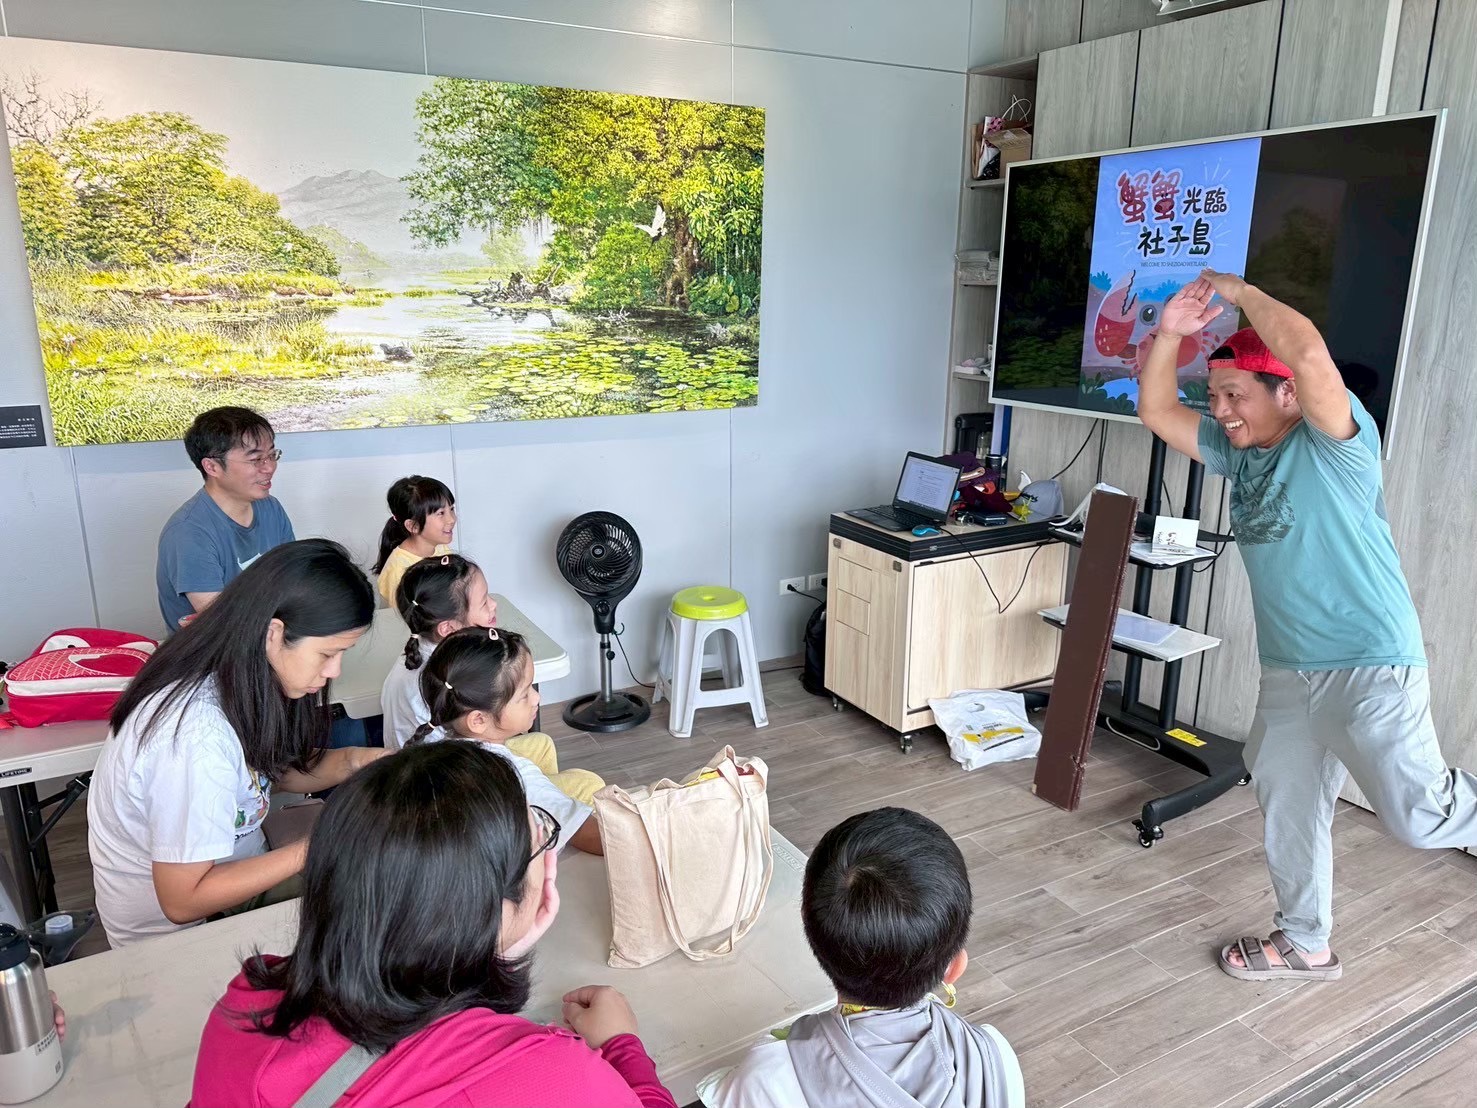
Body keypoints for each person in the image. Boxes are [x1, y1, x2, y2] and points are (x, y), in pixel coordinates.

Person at [1139, 269, 1477, 982]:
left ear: (1286, 393)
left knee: (1419, 818)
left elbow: (1309, 353)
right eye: (1215, 395)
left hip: (1367, 663)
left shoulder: (1334, 443)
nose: (1221, 411)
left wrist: (1240, 293)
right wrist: (1168, 334)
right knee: (1287, 801)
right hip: (1288, 673)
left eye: (1236, 395)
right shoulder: (1239, 455)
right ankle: (1304, 941)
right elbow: (1159, 411)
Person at [190, 741, 677, 1108]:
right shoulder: (555, 1075)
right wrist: (621, 1046)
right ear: (491, 903)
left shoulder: (246, 1006)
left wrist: (487, 954)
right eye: (541, 842)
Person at [89, 539, 390, 947]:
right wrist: (322, 844)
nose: (334, 671)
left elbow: (268, 775)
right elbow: (183, 900)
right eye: (327, 654)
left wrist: (357, 760)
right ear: (273, 633)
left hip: (236, 879)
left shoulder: (239, 678)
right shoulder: (195, 736)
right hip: (182, 939)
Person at [699, 807, 1023, 1108]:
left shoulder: (768, 1075)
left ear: (807, 924)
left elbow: (719, 1092)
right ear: (955, 967)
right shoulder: (994, 1057)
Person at [412, 627, 606, 855]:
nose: (536, 698)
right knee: (590, 783)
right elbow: (594, 837)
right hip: (530, 873)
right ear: (478, 720)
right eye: (524, 695)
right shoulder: (515, 778)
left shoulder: (431, 753)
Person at [156, 407, 294, 631]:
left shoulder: (271, 508)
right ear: (212, 467)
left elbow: (292, 581)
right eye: (256, 459)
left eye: (271, 455)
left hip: (270, 635)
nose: (269, 467)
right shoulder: (188, 532)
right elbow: (223, 624)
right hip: (215, 648)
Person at [380, 553, 497, 750]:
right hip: (446, 764)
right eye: (484, 602)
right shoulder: (438, 678)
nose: (494, 604)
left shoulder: (432, 652)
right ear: (448, 628)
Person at [373, 475, 457, 607]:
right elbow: (403, 617)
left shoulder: (442, 549)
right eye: (441, 513)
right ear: (413, 526)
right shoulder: (398, 570)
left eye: (451, 509)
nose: (451, 519)